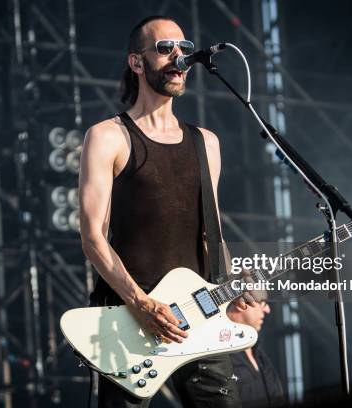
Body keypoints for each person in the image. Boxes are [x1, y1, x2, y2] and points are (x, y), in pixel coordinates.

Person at [79, 14, 256, 408]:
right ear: (137, 63)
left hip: (201, 321)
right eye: (165, 48)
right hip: (129, 320)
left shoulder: (206, 142)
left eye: (185, 48)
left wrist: (227, 288)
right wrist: (141, 304)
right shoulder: (108, 136)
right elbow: (92, 236)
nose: (179, 56)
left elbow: (213, 234)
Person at [227, 299, 287, 408]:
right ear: (240, 303)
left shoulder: (259, 354)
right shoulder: (213, 356)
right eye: (262, 302)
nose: (267, 309)